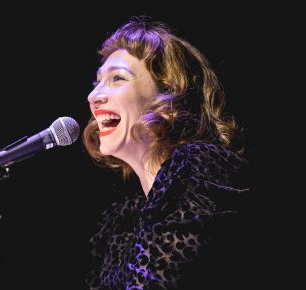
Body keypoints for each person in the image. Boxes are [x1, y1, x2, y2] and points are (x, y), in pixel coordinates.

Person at [82, 16, 250, 289]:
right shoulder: (124, 219)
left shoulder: (197, 171)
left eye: (118, 78)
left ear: (170, 98)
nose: (94, 96)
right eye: (97, 81)